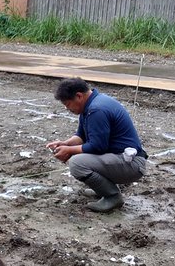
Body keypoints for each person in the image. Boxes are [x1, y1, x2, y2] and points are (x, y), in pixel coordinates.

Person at [46, 77, 147, 213]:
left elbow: (97, 147)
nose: (66, 108)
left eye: (67, 104)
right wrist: (65, 144)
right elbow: (81, 136)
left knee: (77, 163)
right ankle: (103, 189)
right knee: (80, 158)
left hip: (132, 164)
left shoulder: (96, 109)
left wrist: (69, 150)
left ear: (79, 96)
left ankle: (112, 196)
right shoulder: (91, 105)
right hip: (122, 159)